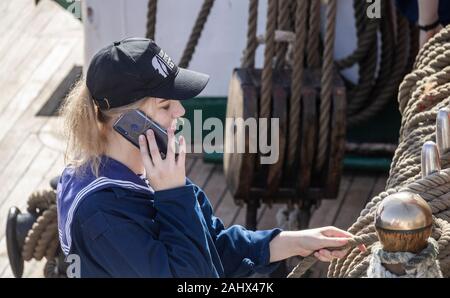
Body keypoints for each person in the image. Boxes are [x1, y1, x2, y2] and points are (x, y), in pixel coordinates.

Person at [57, 37, 364, 277]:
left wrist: (295, 241)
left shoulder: (149, 172)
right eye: (165, 106)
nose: (180, 111)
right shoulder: (102, 215)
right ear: (128, 122)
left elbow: (213, 246)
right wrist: (173, 196)